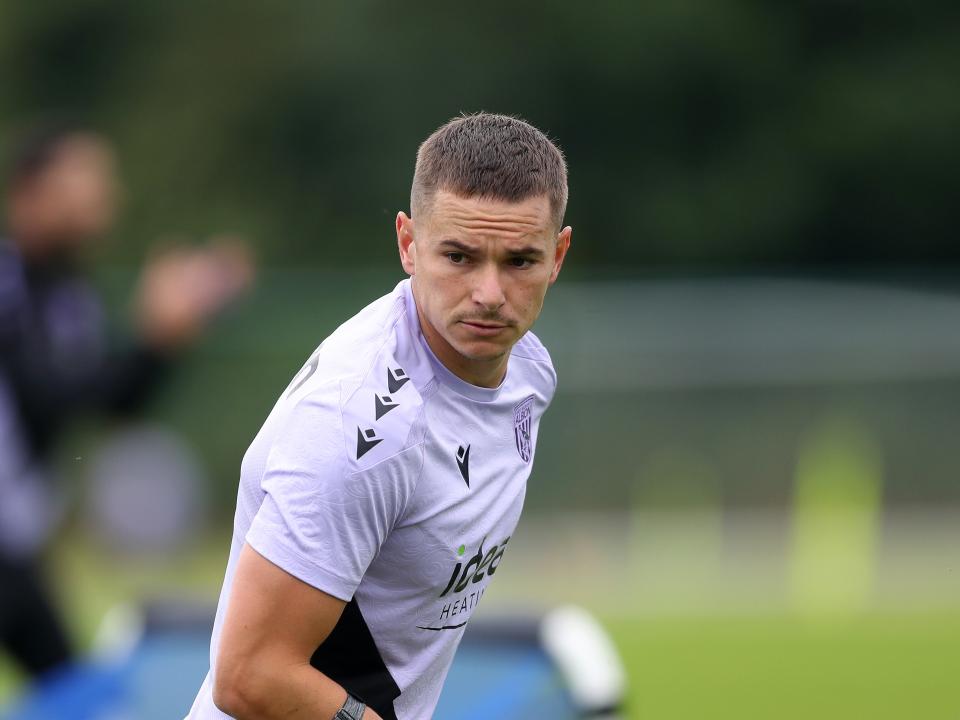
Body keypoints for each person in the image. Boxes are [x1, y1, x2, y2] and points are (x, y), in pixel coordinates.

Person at [187, 112, 572, 720]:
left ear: (558, 254)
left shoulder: (527, 366)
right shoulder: (361, 431)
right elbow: (248, 676)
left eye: (520, 261)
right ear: (407, 245)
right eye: (459, 256)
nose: (490, 294)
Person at [0, 125, 253, 679]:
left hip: (15, 549)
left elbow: (112, 405)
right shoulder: (9, 283)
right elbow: (44, 397)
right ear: (30, 191)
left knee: (78, 695)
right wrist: (151, 339)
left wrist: (166, 340)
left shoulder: (71, 296)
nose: (103, 195)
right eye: (84, 179)